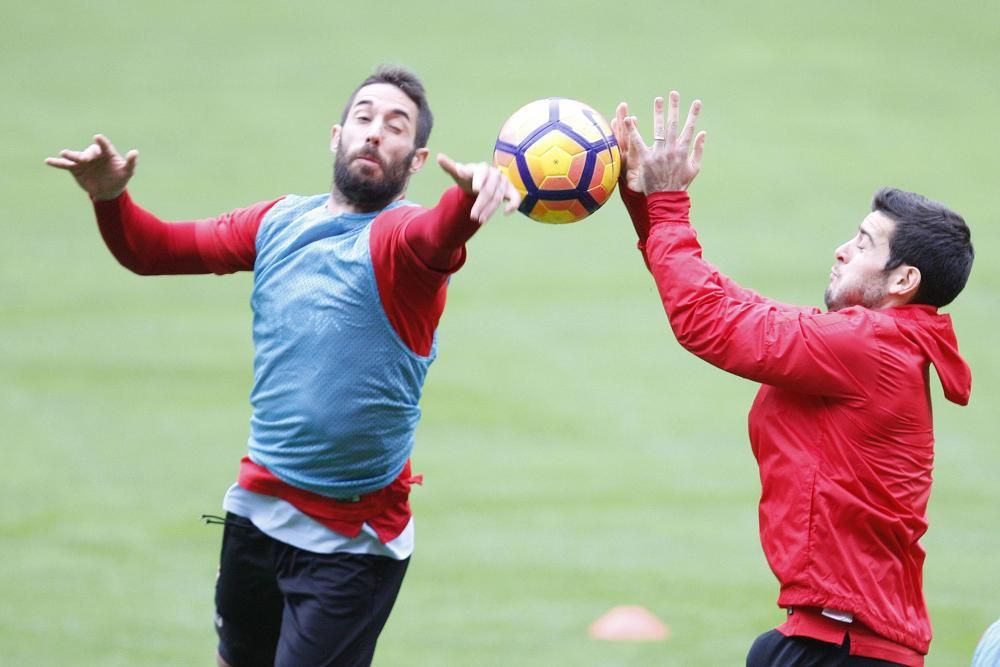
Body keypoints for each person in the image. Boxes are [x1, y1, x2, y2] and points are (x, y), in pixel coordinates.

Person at [46, 65, 520, 667]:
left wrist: (466, 200)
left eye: (395, 127)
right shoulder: (277, 224)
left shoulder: (400, 241)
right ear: (335, 135)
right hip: (257, 509)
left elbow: (437, 238)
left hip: (353, 542)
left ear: (418, 159)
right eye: (364, 117)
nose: (375, 133)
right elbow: (152, 250)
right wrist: (110, 196)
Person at [611, 92, 974, 666]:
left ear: (904, 278)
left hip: (851, 651)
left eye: (862, 244)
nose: (841, 250)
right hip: (829, 640)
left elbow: (709, 322)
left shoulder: (871, 347)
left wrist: (669, 202)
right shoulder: (875, 343)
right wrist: (647, 203)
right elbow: (725, 303)